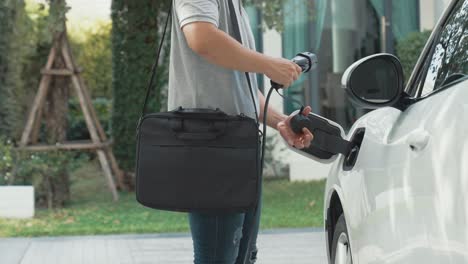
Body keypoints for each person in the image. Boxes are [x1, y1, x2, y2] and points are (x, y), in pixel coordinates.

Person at [168, 0, 314, 263]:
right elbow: (201, 37)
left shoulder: (234, 6)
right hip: (211, 145)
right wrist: (269, 64)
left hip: (235, 145)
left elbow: (241, 85)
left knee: (242, 256)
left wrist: (280, 121)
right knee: (218, 257)